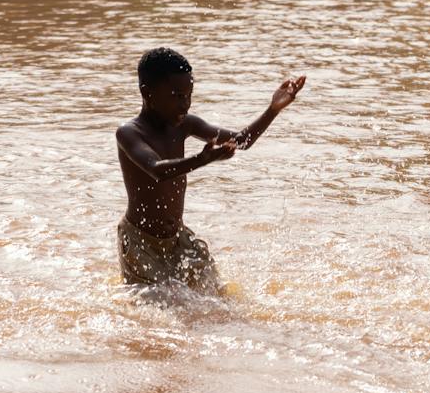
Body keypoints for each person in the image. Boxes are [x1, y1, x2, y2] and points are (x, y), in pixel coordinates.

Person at [115, 47, 305, 294]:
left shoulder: (185, 124)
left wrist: (273, 110)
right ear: (147, 92)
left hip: (178, 239)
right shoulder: (129, 133)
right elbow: (157, 170)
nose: (185, 104)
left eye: (188, 95)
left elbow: (241, 141)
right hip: (141, 243)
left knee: (220, 295)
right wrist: (203, 159)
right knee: (159, 305)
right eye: (177, 96)